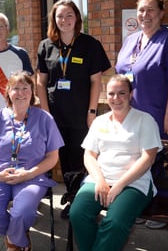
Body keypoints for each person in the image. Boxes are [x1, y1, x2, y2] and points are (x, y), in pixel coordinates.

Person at [115, 0, 168, 229]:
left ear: (161, 13)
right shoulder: (130, 40)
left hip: (155, 114)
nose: (145, 15)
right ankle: (138, 205)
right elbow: (122, 76)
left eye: (150, 10)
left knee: (155, 162)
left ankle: (161, 209)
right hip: (129, 115)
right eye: (141, 10)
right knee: (133, 161)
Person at [69, 74, 162, 251]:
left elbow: (148, 158)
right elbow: (89, 155)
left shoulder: (145, 120)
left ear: (131, 94)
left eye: (122, 93)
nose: (116, 98)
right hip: (100, 180)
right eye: (111, 94)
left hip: (134, 183)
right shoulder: (99, 121)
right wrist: (100, 181)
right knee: (78, 213)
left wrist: (119, 185)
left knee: (115, 223)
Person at [36, 0, 111, 218]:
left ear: (77, 18)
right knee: (61, 156)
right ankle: (71, 194)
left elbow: (96, 81)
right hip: (55, 114)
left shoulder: (90, 44)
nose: (65, 20)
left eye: (69, 15)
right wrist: (45, 111)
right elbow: (40, 82)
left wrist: (92, 112)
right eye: (60, 16)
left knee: (80, 156)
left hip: (80, 114)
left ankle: (80, 199)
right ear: (54, 19)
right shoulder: (45, 45)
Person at [0, 71, 64, 251]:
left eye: (26, 88)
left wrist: (29, 173)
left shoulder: (45, 119)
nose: (21, 93)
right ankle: (19, 237)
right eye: (16, 88)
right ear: (8, 91)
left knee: (22, 212)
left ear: (32, 92)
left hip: (32, 176)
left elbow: (53, 157)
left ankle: (14, 243)